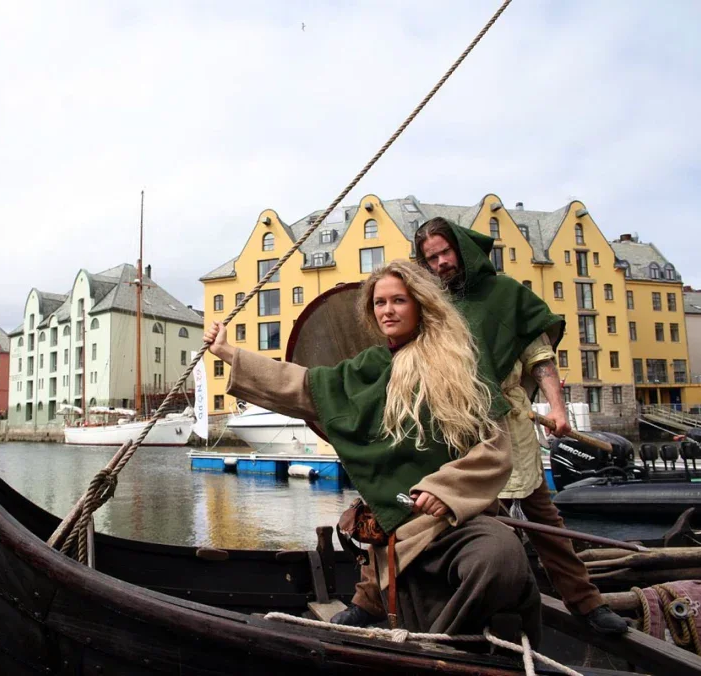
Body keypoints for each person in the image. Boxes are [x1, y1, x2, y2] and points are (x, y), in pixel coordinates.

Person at [205, 260, 542, 643]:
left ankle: (445, 644)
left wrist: (446, 490)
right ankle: (435, 648)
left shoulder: (462, 366)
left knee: (501, 560)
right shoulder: (371, 367)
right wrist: (229, 352)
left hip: (454, 522)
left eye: (398, 300)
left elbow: (496, 448)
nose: (387, 310)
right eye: (380, 302)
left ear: (420, 304)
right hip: (399, 529)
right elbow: (302, 384)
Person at [413, 216, 628, 635]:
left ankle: (587, 604)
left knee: (544, 522)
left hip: (509, 422)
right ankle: (461, 607)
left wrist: (558, 409)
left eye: (444, 252)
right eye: (431, 258)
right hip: (457, 428)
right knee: (465, 521)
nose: (440, 263)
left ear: (462, 249)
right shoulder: (434, 307)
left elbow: (539, 355)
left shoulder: (505, 294)